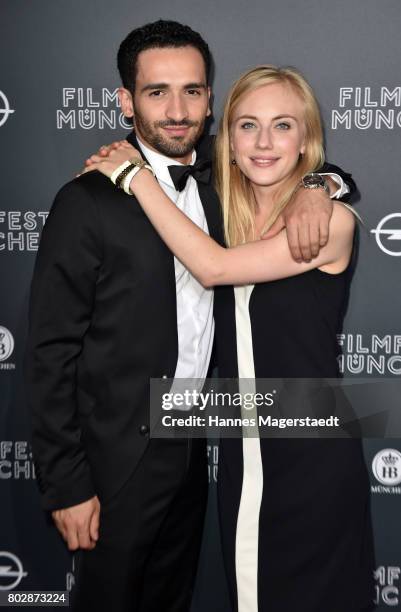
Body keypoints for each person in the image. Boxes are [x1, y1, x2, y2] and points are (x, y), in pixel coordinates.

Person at [27, 18, 357, 612]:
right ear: (127, 101)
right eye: (157, 92)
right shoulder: (88, 203)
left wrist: (325, 183)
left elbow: (220, 261)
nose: (177, 110)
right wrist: (66, 483)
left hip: (209, 454)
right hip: (119, 467)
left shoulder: (216, 194)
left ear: (209, 101)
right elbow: (50, 354)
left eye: (194, 91)